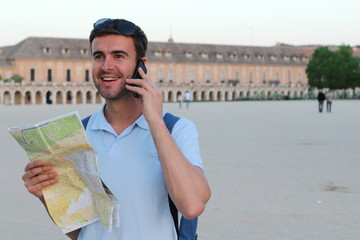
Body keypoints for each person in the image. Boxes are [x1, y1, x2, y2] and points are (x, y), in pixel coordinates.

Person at [21, 18, 211, 240]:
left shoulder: (177, 130)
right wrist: (46, 194)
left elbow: (192, 206)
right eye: (98, 56)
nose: (106, 66)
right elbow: (80, 230)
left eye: (118, 56)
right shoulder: (75, 134)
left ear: (141, 65)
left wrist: (155, 122)